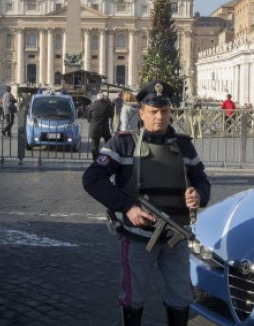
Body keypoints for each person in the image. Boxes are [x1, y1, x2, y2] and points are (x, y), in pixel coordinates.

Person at [82, 81, 211, 326]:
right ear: (141, 113)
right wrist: (126, 207)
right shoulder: (123, 143)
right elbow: (92, 178)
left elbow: (201, 180)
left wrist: (199, 195)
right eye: (153, 112)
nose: (159, 117)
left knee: (182, 297)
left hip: (176, 236)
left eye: (164, 111)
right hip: (137, 236)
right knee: (133, 298)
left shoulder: (184, 145)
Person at [87, 92, 114, 160]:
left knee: (95, 146)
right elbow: (111, 115)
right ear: (103, 98)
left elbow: (88, 117)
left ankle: (95, 159)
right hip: (104, 127)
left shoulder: (92, 105)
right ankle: (108, 157)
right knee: (109, 143)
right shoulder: (107, 105)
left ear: (97, 98)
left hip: (94, 128)